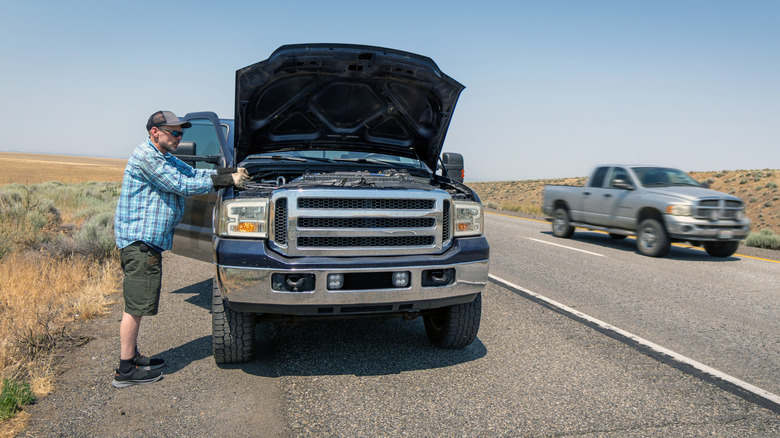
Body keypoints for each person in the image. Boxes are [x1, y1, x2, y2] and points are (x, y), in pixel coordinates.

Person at [112, 110, 248, 388]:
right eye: (174, 132)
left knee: (139, 302)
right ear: (155, 132)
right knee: (135, 306)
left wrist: (226, 172)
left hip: (145, 241)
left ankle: (134, 356)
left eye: (181, 133)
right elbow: (181, 185)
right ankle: (125, 370)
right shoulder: (147, 157)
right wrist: (224, 180)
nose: (179, 137)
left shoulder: (162, 156)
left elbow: (191, 171)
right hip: (139, 242)